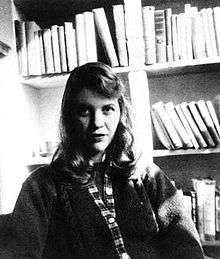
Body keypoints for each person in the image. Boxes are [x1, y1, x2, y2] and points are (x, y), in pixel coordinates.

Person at [4, 62, 204, 258]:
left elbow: (187, 248)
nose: (97, 123)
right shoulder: (41, 186)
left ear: (120, 112)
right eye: (84, 111)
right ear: (69, 117)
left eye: (107, 109)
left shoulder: (147, 175)